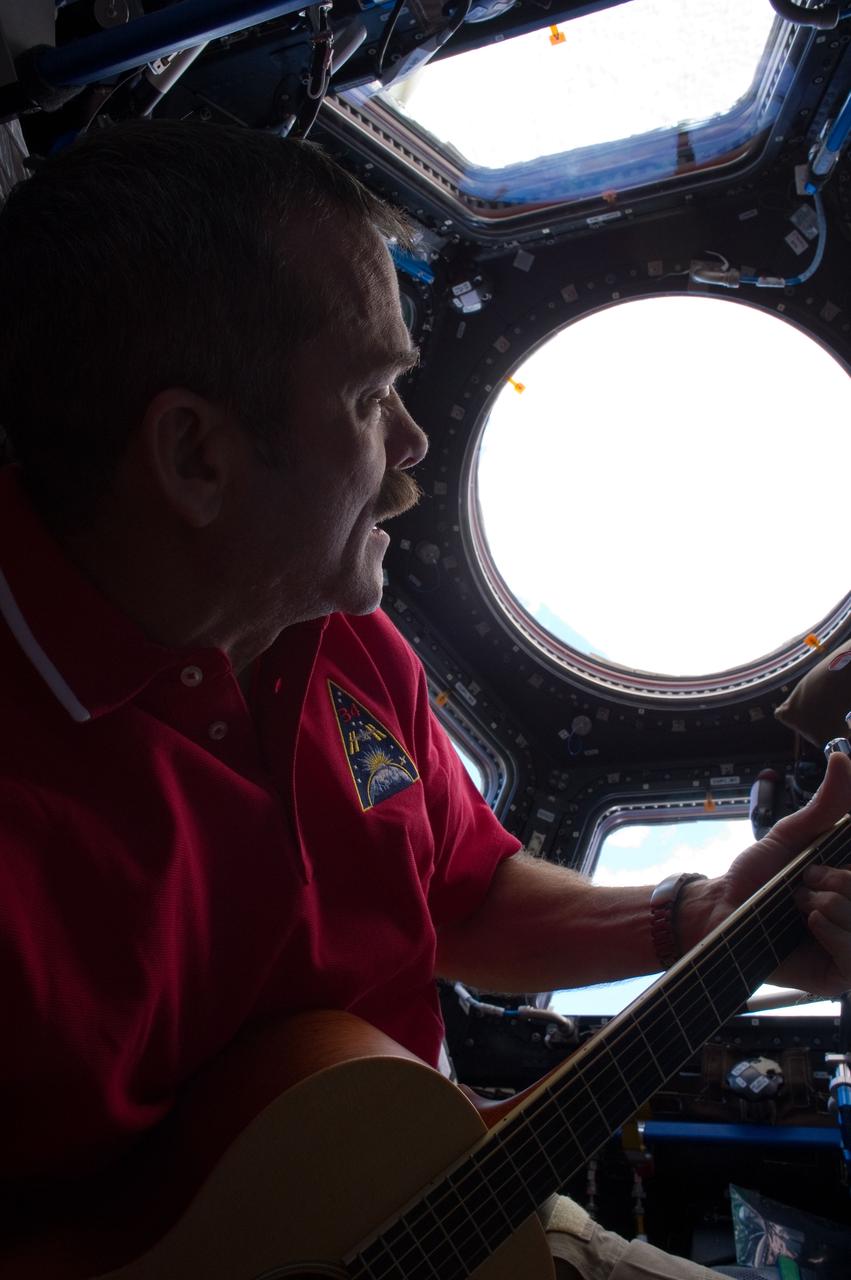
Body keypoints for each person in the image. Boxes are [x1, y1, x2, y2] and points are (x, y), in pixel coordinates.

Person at [0, 120, 849, 1280]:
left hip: (436, 1216)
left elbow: (460, 895)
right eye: (369, 397)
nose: (411, 442)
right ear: (195, 456)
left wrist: (700, 918)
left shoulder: (332, 628)